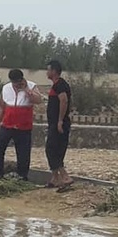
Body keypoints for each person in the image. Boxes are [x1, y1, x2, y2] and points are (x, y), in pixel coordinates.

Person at [0, 69, 42, 180]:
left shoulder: (31, 86)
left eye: (18, 82)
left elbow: (38, 100)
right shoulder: (6, 88)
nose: (16, 85)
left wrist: (26, 90)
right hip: (7, 123)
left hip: (23, 125)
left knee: (23, 151)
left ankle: (22, 175)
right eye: (14, 83)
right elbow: (1, 105)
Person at [45, 60, 74, 190]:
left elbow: (64, 101)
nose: (47, 72)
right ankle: (55, 178)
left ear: (54, 71)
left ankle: (65, 176)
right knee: (55, 149)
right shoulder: (56, 85)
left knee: (52, 149)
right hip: (54, 123)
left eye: (48, 69)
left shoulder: (60, 85)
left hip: (59, 123)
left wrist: (60, 121)